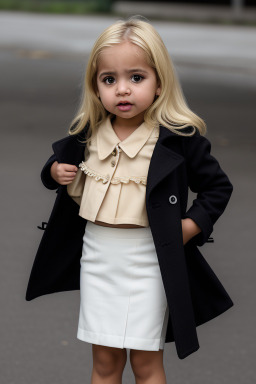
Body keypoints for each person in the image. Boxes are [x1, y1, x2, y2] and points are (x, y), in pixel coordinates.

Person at [26, 17, 234, 383]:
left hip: (150, 260)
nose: (123, 90)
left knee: (145, 362)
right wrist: (54, 172)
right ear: (96, 86)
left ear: (159, 83)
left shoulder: (178, 140)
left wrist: (190, 227)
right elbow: (55, 168)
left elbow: (218, 187)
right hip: (99, 259)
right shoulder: (87, 135)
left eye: (136, 78)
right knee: (105, 363)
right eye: (110, 80)